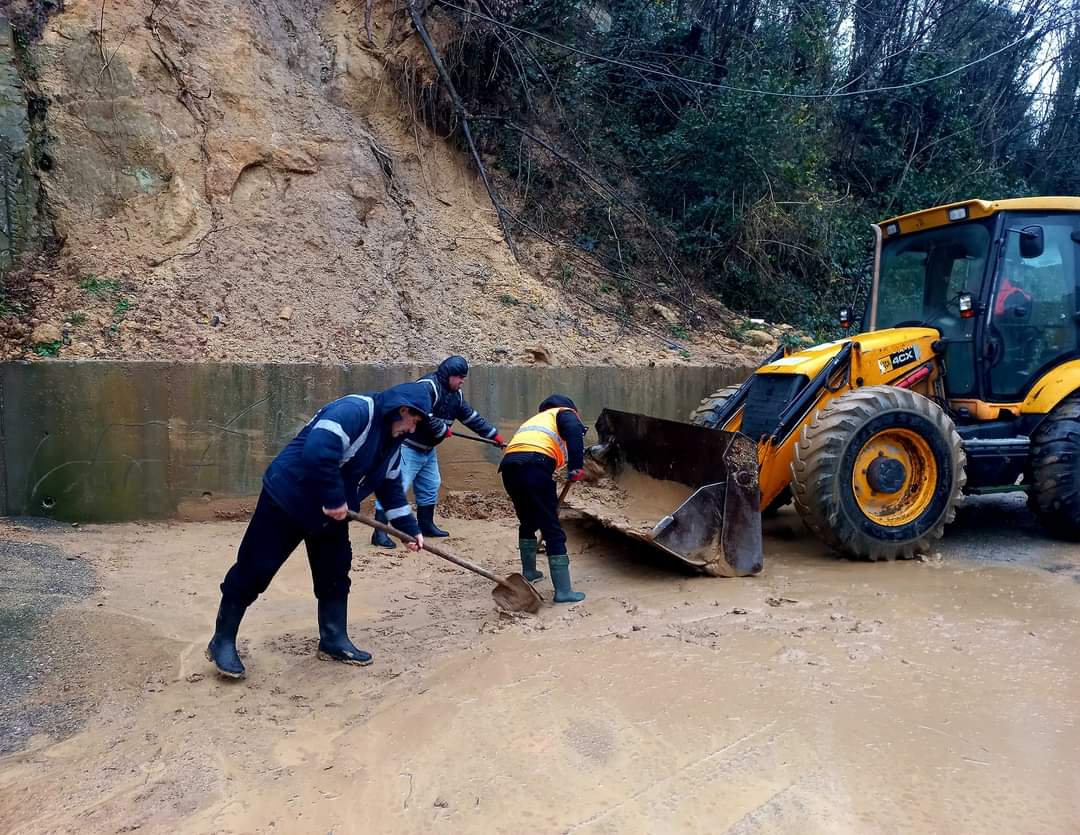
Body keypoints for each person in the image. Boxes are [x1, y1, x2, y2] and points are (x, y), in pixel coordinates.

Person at [205, 382, 433, 679]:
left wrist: (408, 529)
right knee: (255, 569)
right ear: (402, 410)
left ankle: (333, 640)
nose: (413, 430)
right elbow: (318, 451)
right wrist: (333, 497)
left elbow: (390, 488)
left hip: (331, 513)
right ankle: (221, 640)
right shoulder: (355, 411)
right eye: (413, 421)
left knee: (335, 574)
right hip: (288, 498)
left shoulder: (392, 444)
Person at [371, 356, 503, 547]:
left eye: (463, 377)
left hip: (427, 450)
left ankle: (426, 525)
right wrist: (441, 429)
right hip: (408, 446)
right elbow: (421, 414)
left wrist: (493, 436)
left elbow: (471, 418)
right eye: (459, 377)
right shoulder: (427, 387)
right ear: (448, 375)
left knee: (431, 485)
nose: (462, 381)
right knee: (395, 487)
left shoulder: (456, 396)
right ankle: (379, 533)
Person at [499, 394, 588, 603]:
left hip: (509, 468)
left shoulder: (535, 421)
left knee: (528, 520)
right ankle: (564, 592)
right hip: (534, 464)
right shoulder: (564, 413)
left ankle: (529, 573)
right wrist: (576, 466)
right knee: (552, 529)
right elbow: (575, 430)